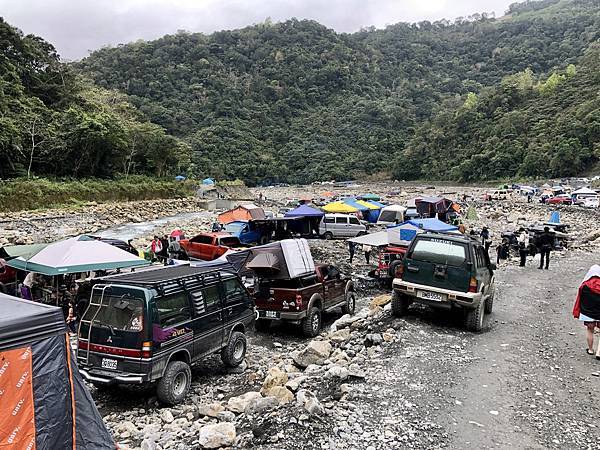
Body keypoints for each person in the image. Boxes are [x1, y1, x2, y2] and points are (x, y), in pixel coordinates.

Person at [572, 265, 600, 355]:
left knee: (590, 330)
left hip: (588, 313)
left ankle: (591, 349)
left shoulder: (585, 285)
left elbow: (580, 299)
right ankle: (599, 352)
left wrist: (580, 311)